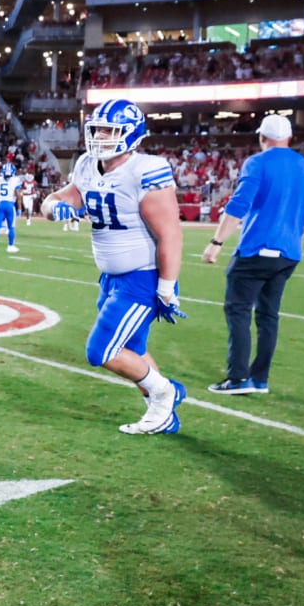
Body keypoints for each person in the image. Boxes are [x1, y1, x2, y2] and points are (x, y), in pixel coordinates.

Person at [41, 98, 188, 435]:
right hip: (111, 278)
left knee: (102, 350)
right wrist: (55, 208)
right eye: (98, 130)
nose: (101, 137)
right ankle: (161, 410)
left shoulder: (145, 170)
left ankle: (166, 393)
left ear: (132, 134)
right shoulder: (88, 165)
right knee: (132, 349)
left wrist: (167, 287)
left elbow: (171, 234)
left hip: (143, 277)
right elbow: (60, 199)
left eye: (110, 131)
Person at [201, 113, 304, 395]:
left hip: (257, 249)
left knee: (238, 310)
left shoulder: (257, 162)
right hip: (289, 252)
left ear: (262, 137)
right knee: (269, 315)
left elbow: (239, 204)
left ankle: (238, 378)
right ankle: (260, 379)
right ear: (289, 137)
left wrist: (216, 243)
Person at [0, 161, 22, 253]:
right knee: (11, 227)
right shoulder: (15, 180)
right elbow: (18, 196)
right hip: (10, 205)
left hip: (0, 204)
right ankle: (10, 246)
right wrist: (19, 208)